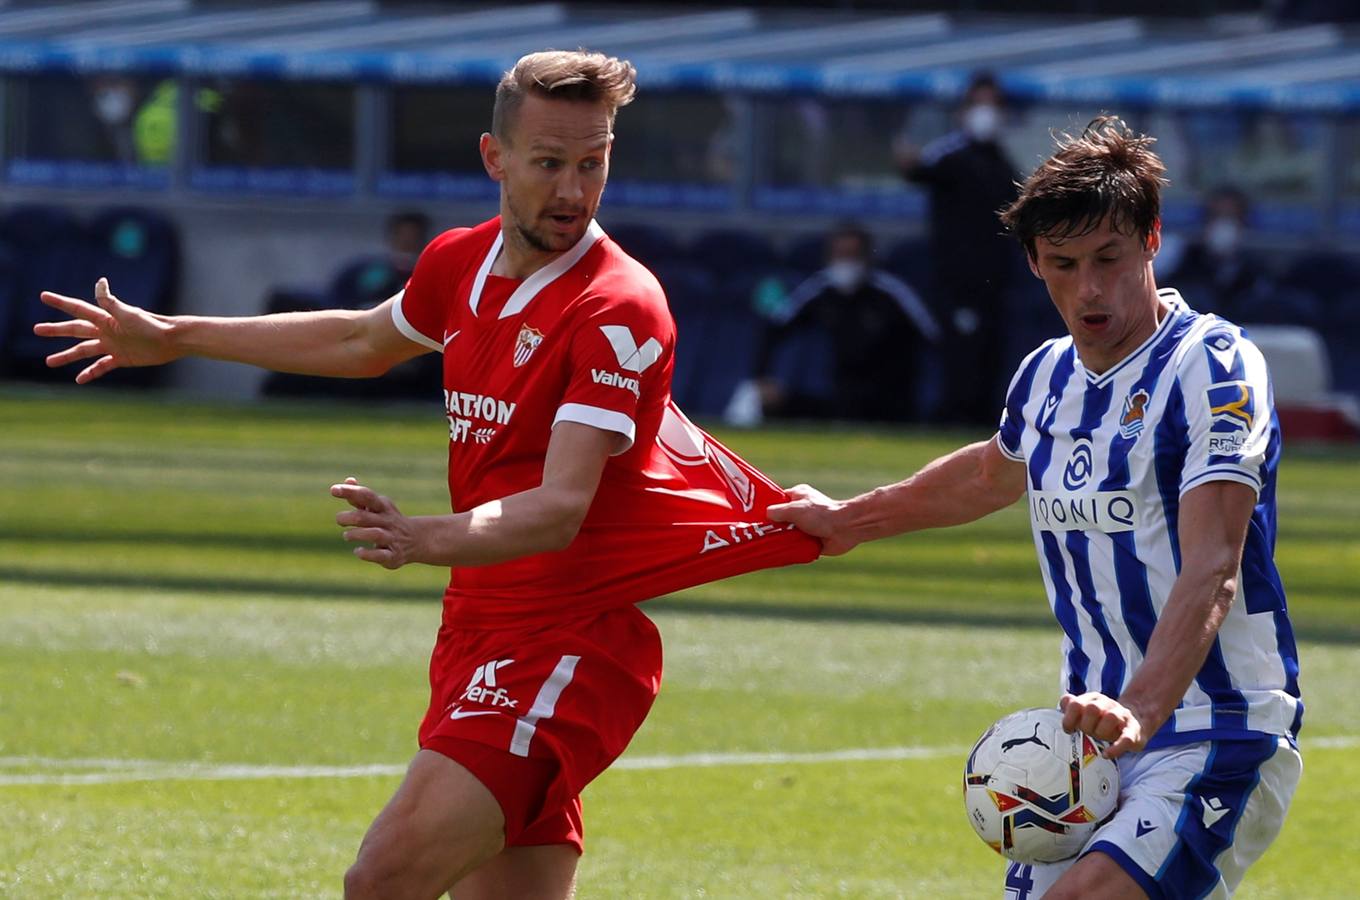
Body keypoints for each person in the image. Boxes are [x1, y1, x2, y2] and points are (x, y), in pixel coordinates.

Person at [34, 49, 820, 899]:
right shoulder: (459, 263)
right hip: (479, 624)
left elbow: (560, 510)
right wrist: (179, 335)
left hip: (568, 638)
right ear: (495, 158)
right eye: (549, 163)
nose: (572, 190)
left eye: (592, 163)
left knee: (382, 881)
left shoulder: (616, 306)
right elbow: (360, 341)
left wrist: (423, 538)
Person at [772, 117, 1301, 899]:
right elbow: (989, 475)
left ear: (1151, 240)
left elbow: (1214, 564)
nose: (1089, 289)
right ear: (1034, 264)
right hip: (1086, 745)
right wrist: (850, 519)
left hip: (1215, 729)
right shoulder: (1046, 375)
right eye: (1064, 265)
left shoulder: (1214, 368)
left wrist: (1140, 712)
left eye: (1109, 259)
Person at [897, 71, 1021, 425]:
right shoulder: (950, 155)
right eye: (979, 105)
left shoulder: (1003, 161)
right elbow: (915, 169)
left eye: (992, 105)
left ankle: (986, 424)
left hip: (996, 280)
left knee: (990, 356)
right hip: (955, 279)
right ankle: (954, 422)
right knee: (959, 355)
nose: (986, 113)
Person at [756, 222, 940, 422]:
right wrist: (763, 378)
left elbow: (933, 335)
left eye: (853, 255)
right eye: (840, 255)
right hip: (840, 394)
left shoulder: (891, 292)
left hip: (892, 397)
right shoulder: (820, 289)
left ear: (867, 257)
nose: (846, 263)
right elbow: (776, 329)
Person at [1164, 186, 1272, 320]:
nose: (1223, 225)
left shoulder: (1257, 269)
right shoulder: (1185, 262)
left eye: (1231, 217)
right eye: (1217, 217)